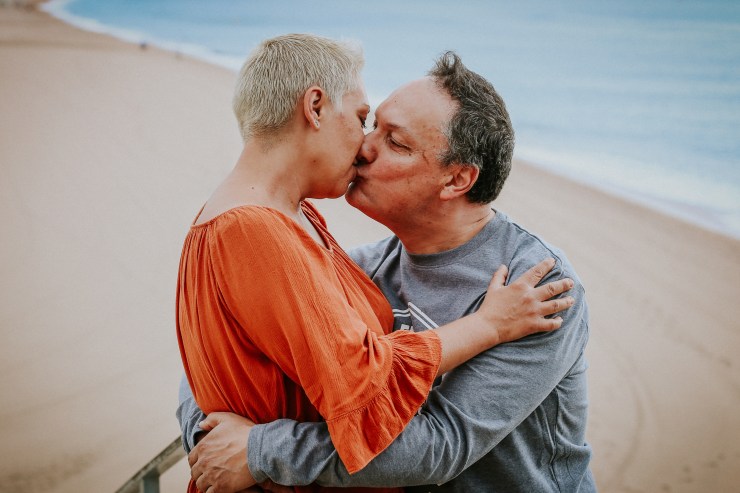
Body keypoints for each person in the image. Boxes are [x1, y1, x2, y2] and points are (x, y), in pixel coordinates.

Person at [180, 51, 596, 493]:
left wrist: (261, 452)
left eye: (395, 143)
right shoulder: (365, 268)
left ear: (457, 180)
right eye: (371, 124)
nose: (363, 148)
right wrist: (208, 441)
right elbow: (218, 347)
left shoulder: (534, 289)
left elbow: (440, 445)